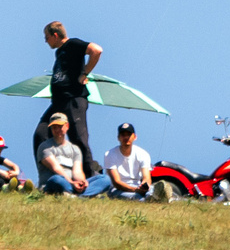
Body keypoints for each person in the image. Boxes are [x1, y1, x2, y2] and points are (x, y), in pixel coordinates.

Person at [41, 20, 103, 175]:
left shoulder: (73, 44)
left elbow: (96, 50)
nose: (45, 41)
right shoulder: (59, 51)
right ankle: (47, 176)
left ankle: (90, 178)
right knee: (41, 134)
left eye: (47, 37)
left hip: (73, 99)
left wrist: (85, 73)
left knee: (79, 139)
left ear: (55, 35)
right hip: (58, 102)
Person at [35, 111, 91, 195]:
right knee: (56, 179)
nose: (57, 130)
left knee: (104, 179)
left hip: (72, 184)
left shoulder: (75, 149)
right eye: (54, 127)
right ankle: (84, 194)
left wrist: (81, 182)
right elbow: (56, 168)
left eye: (60, 126)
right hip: (54, 183)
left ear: (67, 126)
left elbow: (77, 171)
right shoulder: (45, 147)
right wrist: (71, 183)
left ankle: (76, 193)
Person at [100, 121, 154, 200]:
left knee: (151, 190)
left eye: (129, 135)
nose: (126, 137)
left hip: (137, 186)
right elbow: (116, 182)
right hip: (117, 189)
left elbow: (147, 177)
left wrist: (144, 185)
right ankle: (150, 198)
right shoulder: (109, 154)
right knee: (138, 198)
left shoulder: (143, 154)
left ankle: (155, 196)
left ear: (134, 137)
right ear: (118, 138)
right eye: (123, 135)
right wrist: (135, 190)